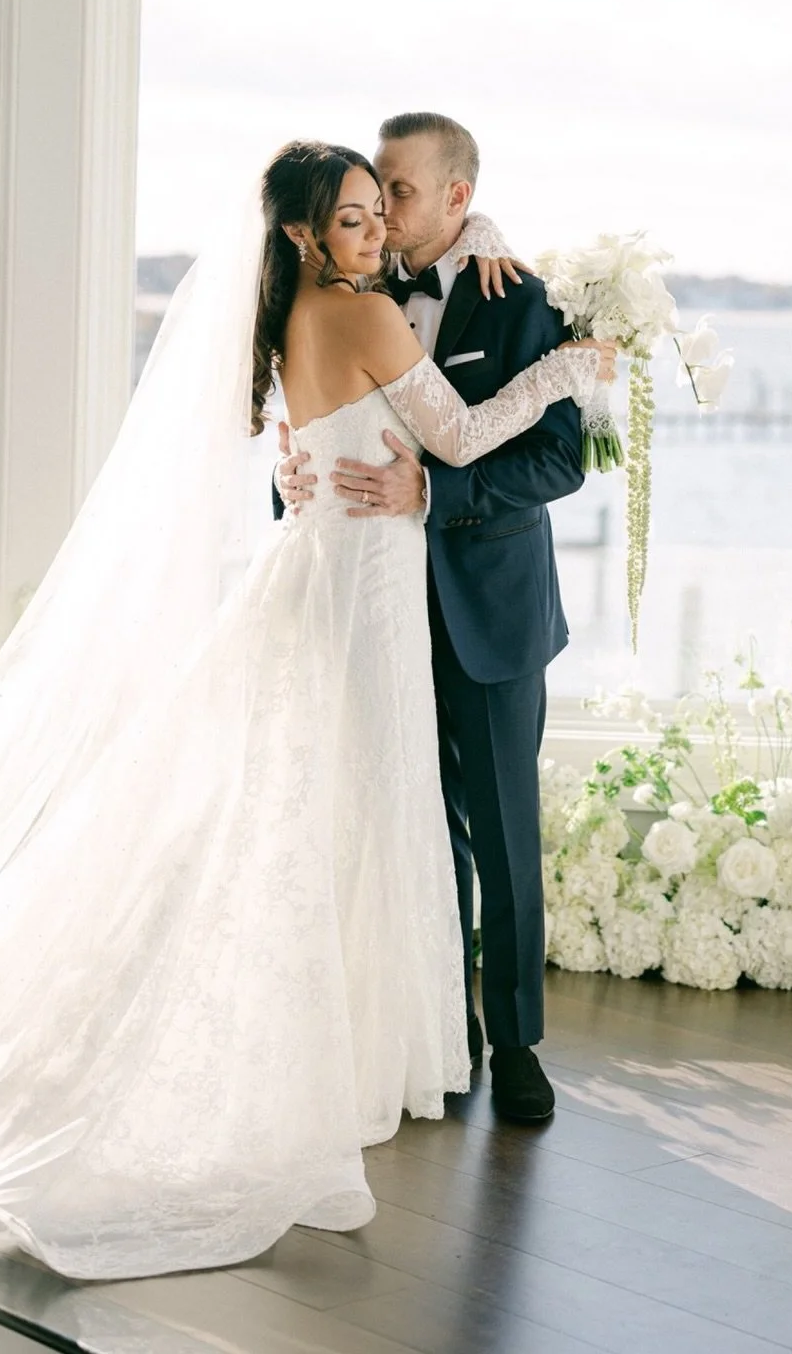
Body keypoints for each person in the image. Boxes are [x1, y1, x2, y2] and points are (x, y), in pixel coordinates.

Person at [0, 140, 612, 1353]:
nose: (377, 228)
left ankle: (371, 1042)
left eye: (379, 210)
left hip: (325, 572)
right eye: (353, 215)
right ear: (305, 236)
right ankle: (367, 1053)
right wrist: (572, 371)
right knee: (368, 806)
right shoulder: (365, 314)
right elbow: (467, 434)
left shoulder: (299, 317)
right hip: (365, 589)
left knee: (337, 808)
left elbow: (337, 435)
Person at [277, 112, 583, 1123]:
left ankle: (519, 1044)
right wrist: (291, 481)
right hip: (379, 608)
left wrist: (435, 496)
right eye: (373, 193)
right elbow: (323, 429)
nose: (383, 210)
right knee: (414, 826)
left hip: (488, 607)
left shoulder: (517, 296)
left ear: (459, 198)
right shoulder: (353, 295)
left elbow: (559, 459)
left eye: (399, 192)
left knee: (503, 833)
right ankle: (438, 1031)